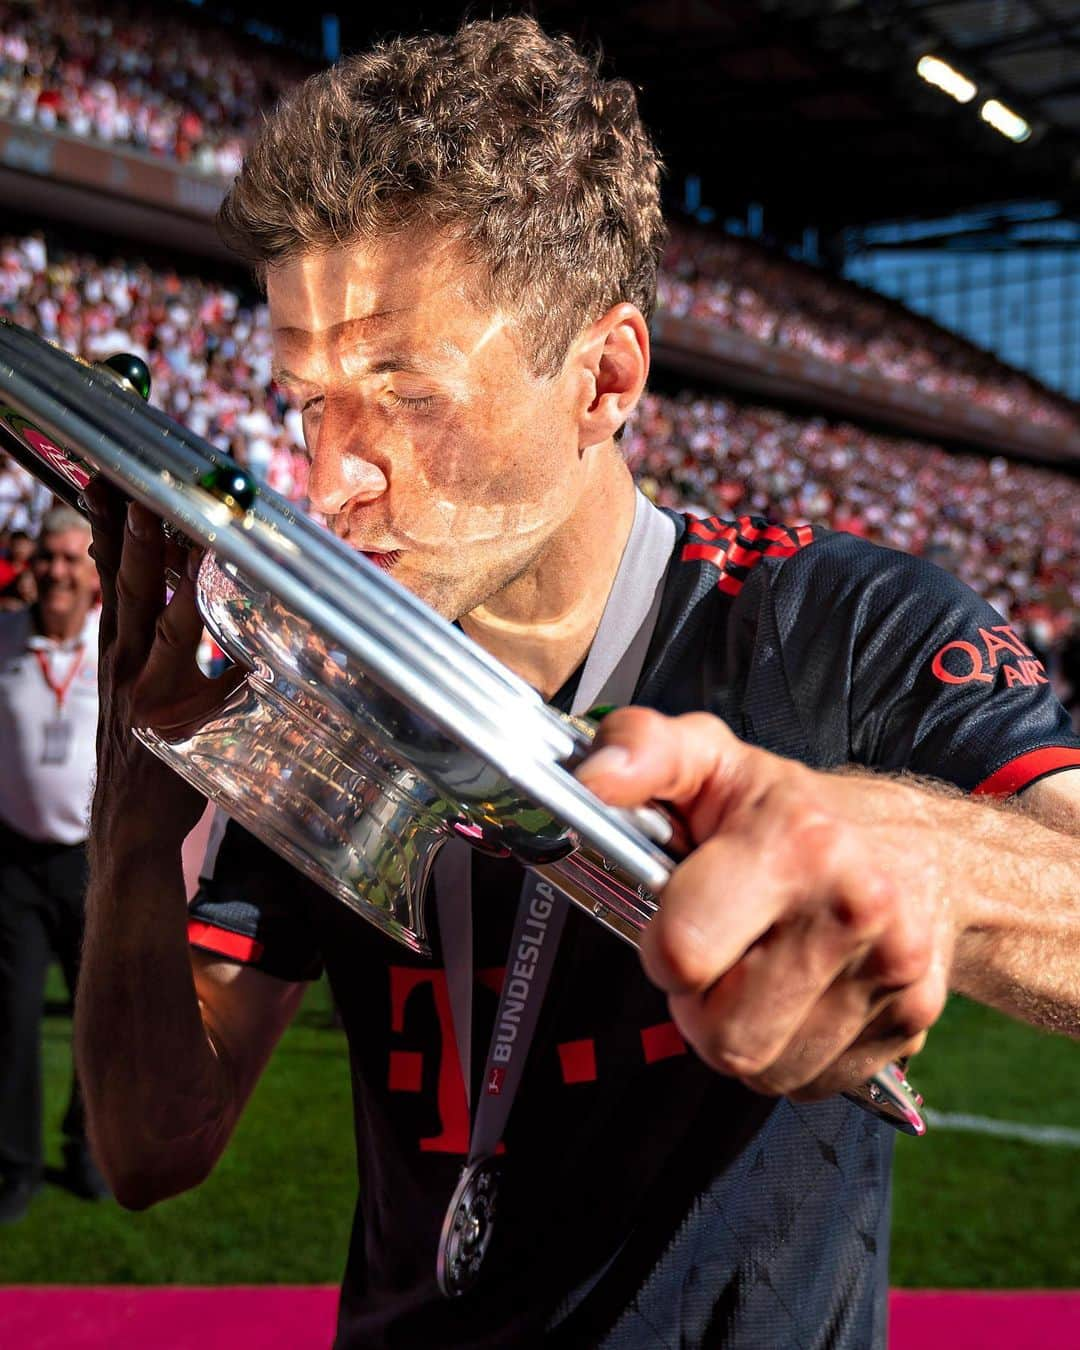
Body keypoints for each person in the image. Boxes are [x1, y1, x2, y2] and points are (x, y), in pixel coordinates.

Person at [76, 17, 1080, 1348]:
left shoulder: (840, 623)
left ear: (604, 375)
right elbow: (155, 1137)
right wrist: (134, 805)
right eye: (312, 401)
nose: (334, 478)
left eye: (408, 393)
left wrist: (919, 858)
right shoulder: (336, 684)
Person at [0, 507, 109, 1222]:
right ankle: (14, 1166)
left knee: (96, 1019)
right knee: (9, 1022)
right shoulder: (4, 637)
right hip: (11, 860)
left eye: (72, 558)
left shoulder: (120, 643)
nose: (57, 571)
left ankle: (91, 1147)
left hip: (92, 863)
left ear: (96, 574)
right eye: (47, 558)